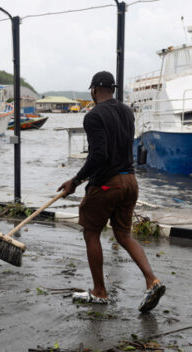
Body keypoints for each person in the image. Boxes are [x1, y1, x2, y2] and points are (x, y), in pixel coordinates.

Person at [57, 71, 165, 313]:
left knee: (91, 232)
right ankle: (152, 280)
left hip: (107, 185)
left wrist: (75, 180)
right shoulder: (127, 112)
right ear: (113, 90)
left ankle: (99, 292)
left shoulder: (93, 116)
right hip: (130, 182)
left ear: (94, 90)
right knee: (124, 235)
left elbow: (99, 155)